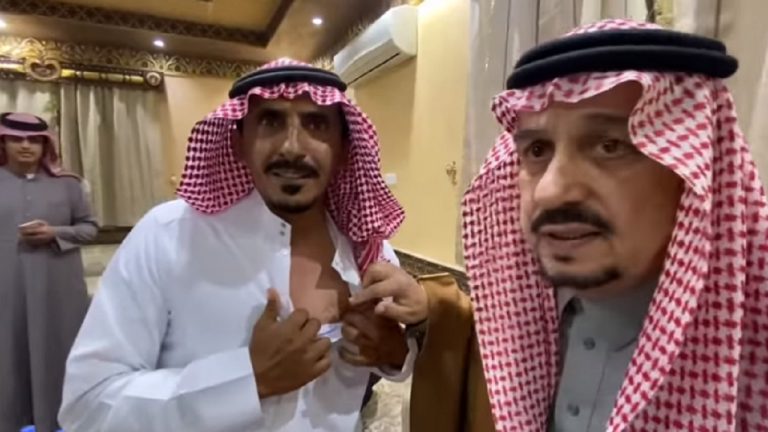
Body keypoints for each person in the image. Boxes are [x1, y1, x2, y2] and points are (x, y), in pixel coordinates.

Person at [351, 19, 768, 431]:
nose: (549, 191)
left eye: (609, 146)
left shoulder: (750, 350)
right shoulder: (524, 316)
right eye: (537, 150)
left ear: (695, 169)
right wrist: (430, 311)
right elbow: (487, 345)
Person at [59, 59, 419, 432]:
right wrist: (249, 381)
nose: (292, 147)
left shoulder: (367, 248)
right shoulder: (168, 235)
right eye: (270, 122)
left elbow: (390, 359)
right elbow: (87, 407)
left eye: (316, 124)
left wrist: (394, 354)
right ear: (238, 142)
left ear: (344, 148)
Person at [0, 112, 98, 432]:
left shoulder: (69, 185)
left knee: (58, 352)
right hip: (8, 288)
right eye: (16, 139)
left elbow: (89, 229)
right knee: (8, 353)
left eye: (34, 140)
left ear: (46, 145)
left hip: (57, 290)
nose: (25, 146)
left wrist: (55, 232)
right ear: (3, 142)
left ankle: (61, 420)